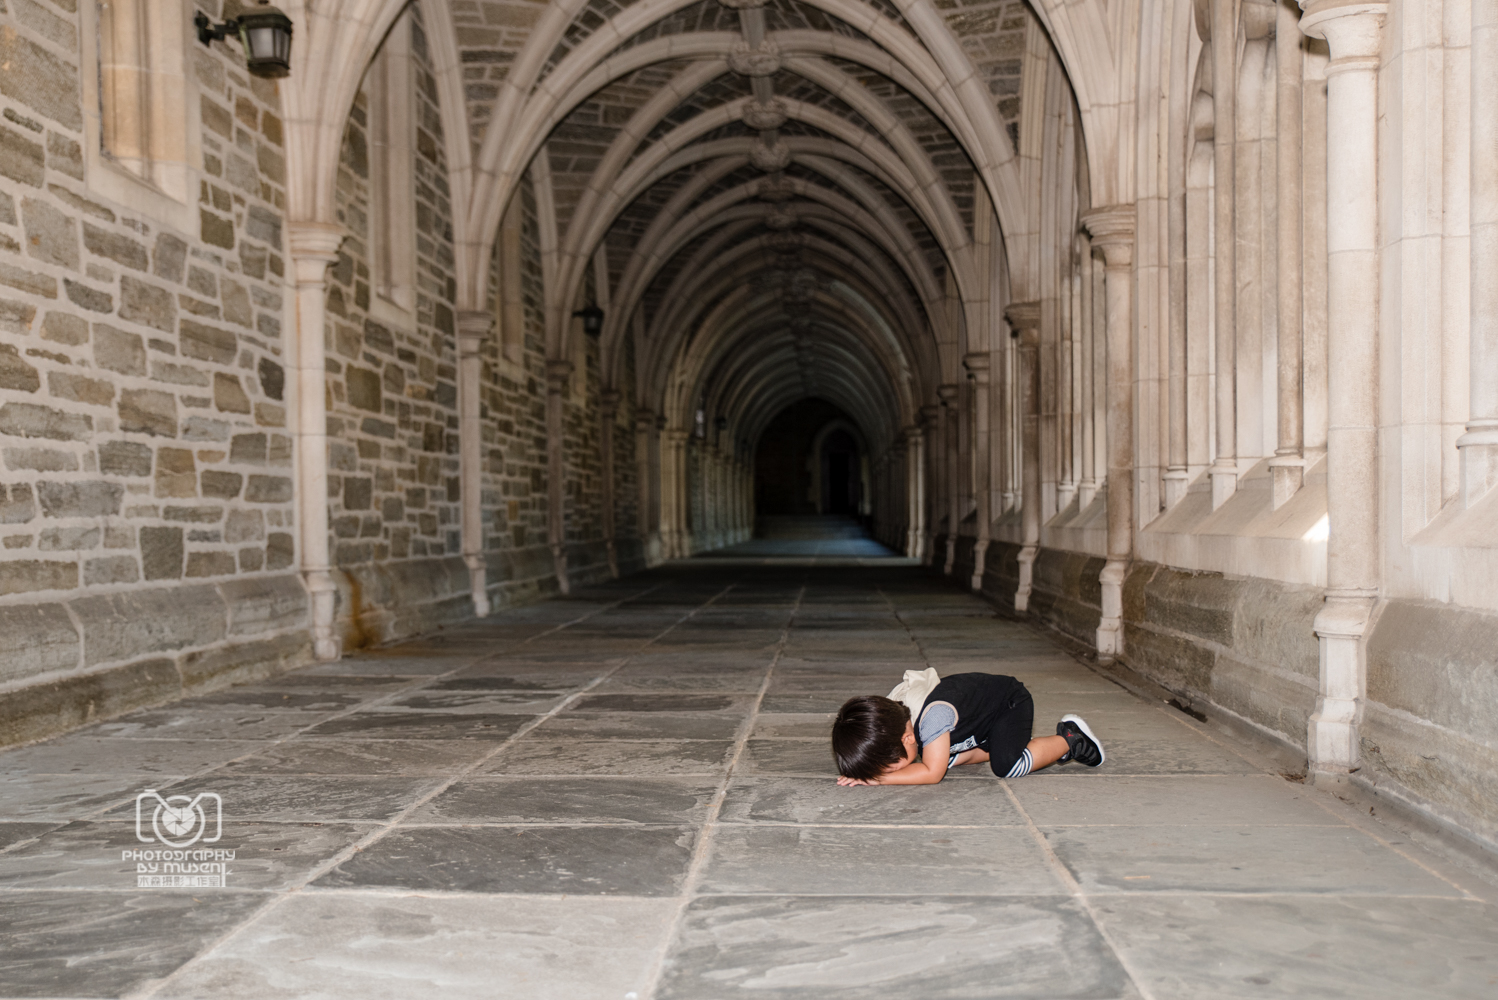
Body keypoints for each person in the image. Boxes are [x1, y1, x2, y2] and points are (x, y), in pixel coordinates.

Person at [831, 672, 1104, 786]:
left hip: (1009, 704)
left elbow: (932, 774)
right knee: (946, 756)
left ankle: (1070, 738)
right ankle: (1005, 741)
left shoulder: (932, 721)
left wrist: (878, 779)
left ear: (907, 738)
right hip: (982, 720)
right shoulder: (899, 720)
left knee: (1007, 766)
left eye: (890, 767)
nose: (893, 772)